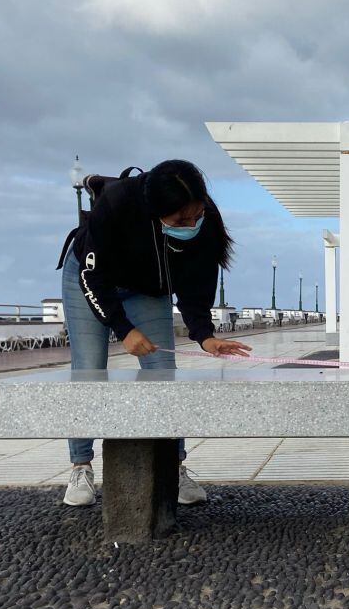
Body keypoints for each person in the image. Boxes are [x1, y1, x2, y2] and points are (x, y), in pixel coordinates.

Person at [56, 159, 251, 507]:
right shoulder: (118, 205)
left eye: (196, 215)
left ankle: (173, 467)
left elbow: (197, 282)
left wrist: (205, 335)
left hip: (148, 289)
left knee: (162, 373)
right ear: (154, 210)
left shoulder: (205, 218)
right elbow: (93, 277)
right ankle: (80, 465)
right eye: (180, 221)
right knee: (88, 368)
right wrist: (124, 329)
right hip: (90, 279)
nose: (191, 224)